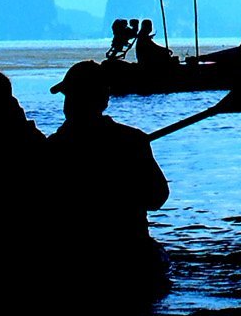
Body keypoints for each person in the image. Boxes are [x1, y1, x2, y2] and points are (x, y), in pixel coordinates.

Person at [46, 61, 169, 257]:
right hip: (130, 247)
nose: (68, 104)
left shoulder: (53, 147)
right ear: (104, 100)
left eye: (70, 96)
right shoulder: (133, 140)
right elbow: (157, 197)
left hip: (76, 250)